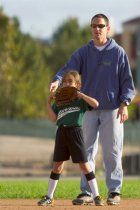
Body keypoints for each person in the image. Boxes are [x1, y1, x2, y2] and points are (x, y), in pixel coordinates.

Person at [49, 14, 135, 205]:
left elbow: (127, 82)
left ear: (108, 28)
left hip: (112, 109)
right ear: (91, 29)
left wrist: (125, 103)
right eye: (94, 26)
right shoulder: (84, 52)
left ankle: (114, 191)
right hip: (87, 110)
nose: (97, 29)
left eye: (101, 26)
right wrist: (57, 79)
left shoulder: (118, 53)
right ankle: (86, 192)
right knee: (84, 151)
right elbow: (68, 68)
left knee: (112, 151)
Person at [38, 70, 104, 206]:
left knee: (84, 165)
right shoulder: (61, 101)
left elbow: (96, 104)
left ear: (77, 84)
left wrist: (81, 95)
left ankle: (96, 195)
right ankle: (49, 196)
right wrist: (48, 103)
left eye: (70, 81)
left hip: (75, 132)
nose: (67, 84)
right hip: (61, 132)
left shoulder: (79, 100)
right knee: (57, 166)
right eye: (65, 82)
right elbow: (53, 118)